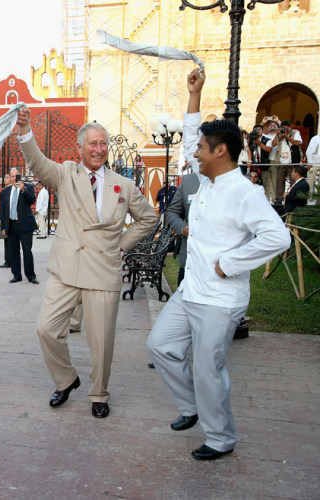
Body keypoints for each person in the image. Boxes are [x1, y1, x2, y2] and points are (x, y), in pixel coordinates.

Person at [147, 70, 290, 461]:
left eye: (203, 149)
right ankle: (193, 406)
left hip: (219, 299)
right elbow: (192, 134)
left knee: (209, 371)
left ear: (221, 151)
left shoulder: (244, 193)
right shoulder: (207, 182)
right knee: (160, 345)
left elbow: (278, 238)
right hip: (190, 291)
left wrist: (231, 262)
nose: (196, 153)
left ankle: (220, 437)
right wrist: (195, 93)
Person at [15, 105, 157, 418]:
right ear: (80, 148)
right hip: (67, 270)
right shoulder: (66, 173)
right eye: (92, 144)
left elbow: (148, 218)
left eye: (103, 143)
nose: (98, 149)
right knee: (46, 329)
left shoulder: (124, 185)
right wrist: (25, 132)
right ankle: (66, 379)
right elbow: (37, 163)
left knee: (101, 342)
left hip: (103, 271)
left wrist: (121, 245)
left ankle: (99, 393)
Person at [0, 168, 38, 284]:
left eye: (16, 176)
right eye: (12, 176)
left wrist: (23, 189)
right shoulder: (6, 191)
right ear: (10, 178)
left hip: (25, 226)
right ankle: (16, 275)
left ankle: (31, 276)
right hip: (11, 225)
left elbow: (32, 200)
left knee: (27, 251)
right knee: (14, 251)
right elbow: (3, 210)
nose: (14, 178)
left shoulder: (28, 187)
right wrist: (3, 226)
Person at [166, 173, 200, 286]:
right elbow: (172, 212)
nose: (195, 154)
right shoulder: (189, 181)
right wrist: (183, 228)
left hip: (219, 269)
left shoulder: (238, 184)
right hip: (188, 263)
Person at [271, 119, 303, 203]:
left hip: (292, 162)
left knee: (293, 182)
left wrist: (287, 137)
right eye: (284, 128)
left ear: (291, 127)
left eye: (287, 129)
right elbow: (273, 144)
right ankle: (279, 199)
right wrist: (277, 135)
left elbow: (297, 143)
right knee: (280, 182)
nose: (285, 130)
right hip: (281, 162)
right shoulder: (280, 134)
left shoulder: (295, 132)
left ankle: (293, 199)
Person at [0, 173, 13, 268]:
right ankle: (8, 260)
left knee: (13, 243)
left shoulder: (14, 189)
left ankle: (12, 260)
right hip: (6, 220)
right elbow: (1, 207)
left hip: (13, 220)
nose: (5, 179)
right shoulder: (4, 191)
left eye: (7, 177)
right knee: (7, 242)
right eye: (4, 177)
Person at [306, 131, 320, 201]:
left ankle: (318, 200)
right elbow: (309, 151)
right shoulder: (315, 138)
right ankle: (307, 199)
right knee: (310, 181)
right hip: (313, 163)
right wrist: (309, 162)